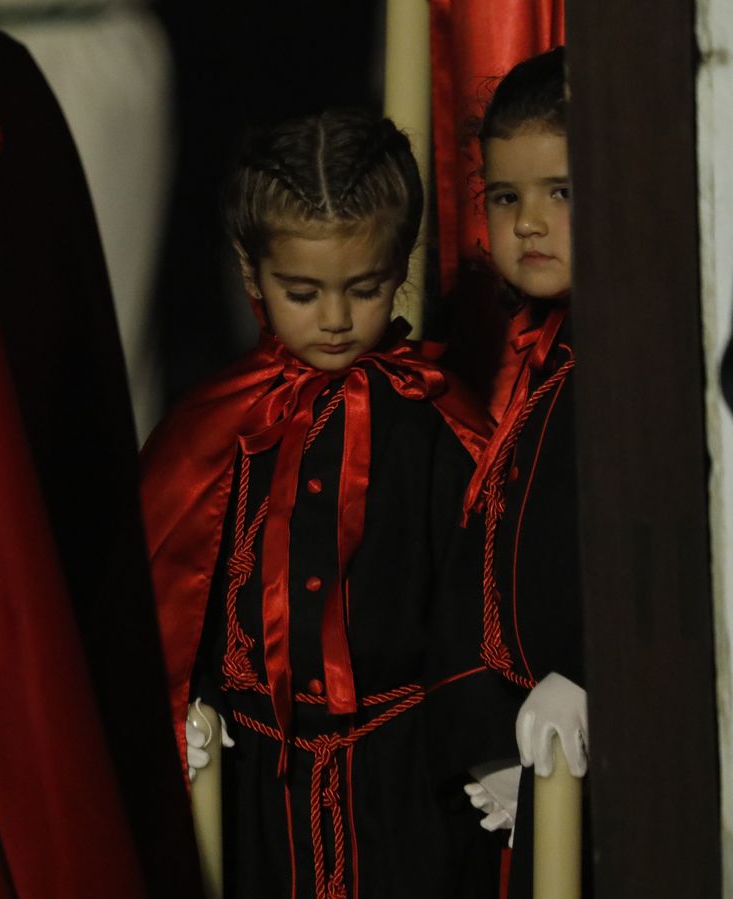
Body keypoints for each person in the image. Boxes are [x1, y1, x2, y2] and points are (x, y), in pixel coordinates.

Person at [141, 108, 504, 898]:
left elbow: (476, 597)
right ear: (251, 273)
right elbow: (171, 576)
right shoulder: (214, 430)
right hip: (258, 788)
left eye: (367, 289)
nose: (336, 320)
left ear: (400, 263)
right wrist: (188, 697)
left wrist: (486, 737)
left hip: (404, 785)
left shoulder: (441, 428)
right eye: (302, 293)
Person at [455, 46, 588, 897]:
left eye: (560, 193)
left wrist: (593, 675)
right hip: (533, 752)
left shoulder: (628, 374)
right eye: (507, 197)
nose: (529, 222)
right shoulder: (532, 361)